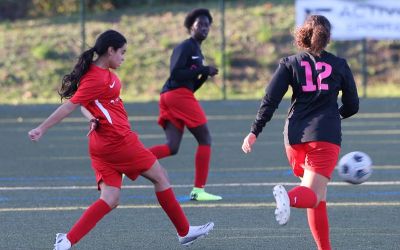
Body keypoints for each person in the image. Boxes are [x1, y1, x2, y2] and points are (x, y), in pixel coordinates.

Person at [28, 30, 214, 250]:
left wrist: (92, 119)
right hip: (119, 141)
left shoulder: (96, 72)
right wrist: (42, 128)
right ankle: (184, 231)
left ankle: (66, 241)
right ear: (110, 50)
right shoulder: (95, 77)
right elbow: (71, 105)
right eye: (122, 52)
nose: (124, 57)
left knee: (110, 198)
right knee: (161, 177)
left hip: (102, 145)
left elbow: (86, 106)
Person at [241, 15, 359, 250]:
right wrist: (336, 116)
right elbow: (352, 105)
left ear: (303, 34)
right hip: (324, 137)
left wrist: (254, 131)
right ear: (327, 37)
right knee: (310, 195)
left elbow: (270, 99)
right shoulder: (340, 65)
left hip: (294, 138)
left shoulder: (289, 63)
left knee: (318, 198)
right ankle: (289, 197)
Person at [148, 8, 222, 201]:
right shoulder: (186, 47)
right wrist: (203, 69)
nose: (204, 28)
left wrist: (204, 75)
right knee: (205, 138)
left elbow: (189, 84)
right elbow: (176, 74)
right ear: (191, 27)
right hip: (176, 95)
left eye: (207, 25)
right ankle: (199, 190)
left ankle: (127, 162)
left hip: (174, 95)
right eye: (200, 24)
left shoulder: (197, 50)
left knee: (172, 147)